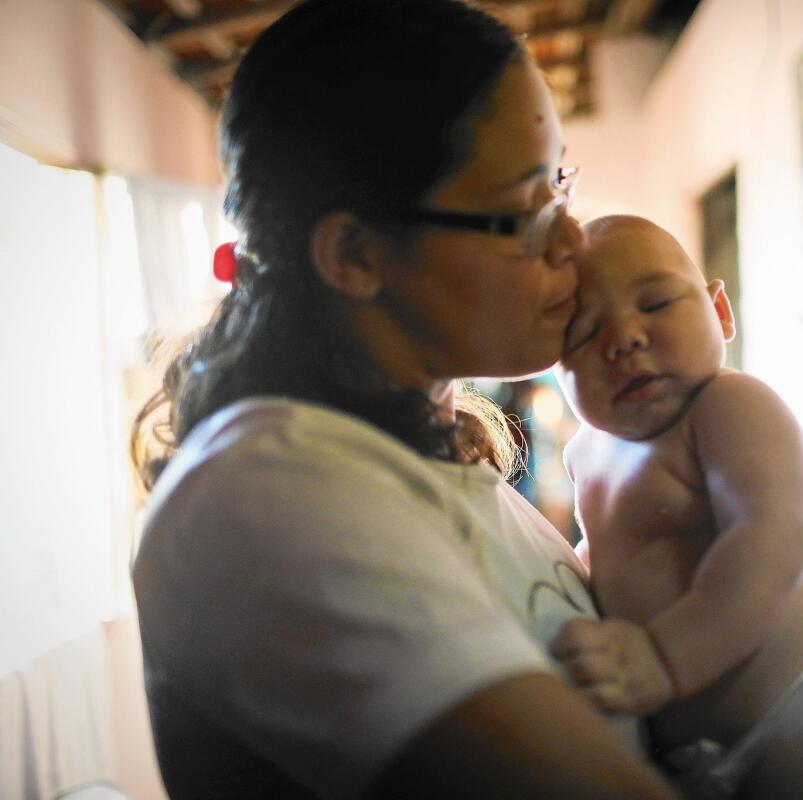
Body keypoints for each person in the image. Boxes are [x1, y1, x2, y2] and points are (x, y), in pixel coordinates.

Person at [129, 2, 678, 798]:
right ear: (355, 255)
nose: (572, 241)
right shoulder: (269, 495)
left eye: (560, 184)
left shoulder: (444, 453)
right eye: (524, 210)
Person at [551, 215, 803, 799]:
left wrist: (662, 658)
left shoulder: (727, 405)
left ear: (720, 312)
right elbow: (612, 562)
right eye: (583, 330)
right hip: (706, 762)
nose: (623, 338)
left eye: (656, 304)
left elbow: (772, 538)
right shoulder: (584, 453)